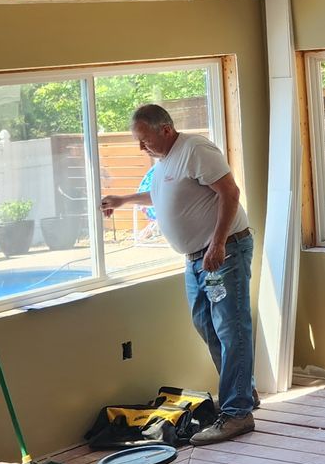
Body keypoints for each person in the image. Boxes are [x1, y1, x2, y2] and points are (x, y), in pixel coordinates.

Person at [101, 103, 256, 443]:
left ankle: (237, 412)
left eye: (144, 140)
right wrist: (123, 200)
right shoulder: (164, 161)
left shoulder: (195, 149)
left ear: (166, 130)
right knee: (206, 324)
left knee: (231, 328)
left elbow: (230, 192)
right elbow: (162, 195)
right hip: (196, 257)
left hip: (224, 252)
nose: (141, 147)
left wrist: (218, 244)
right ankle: (242, 394)